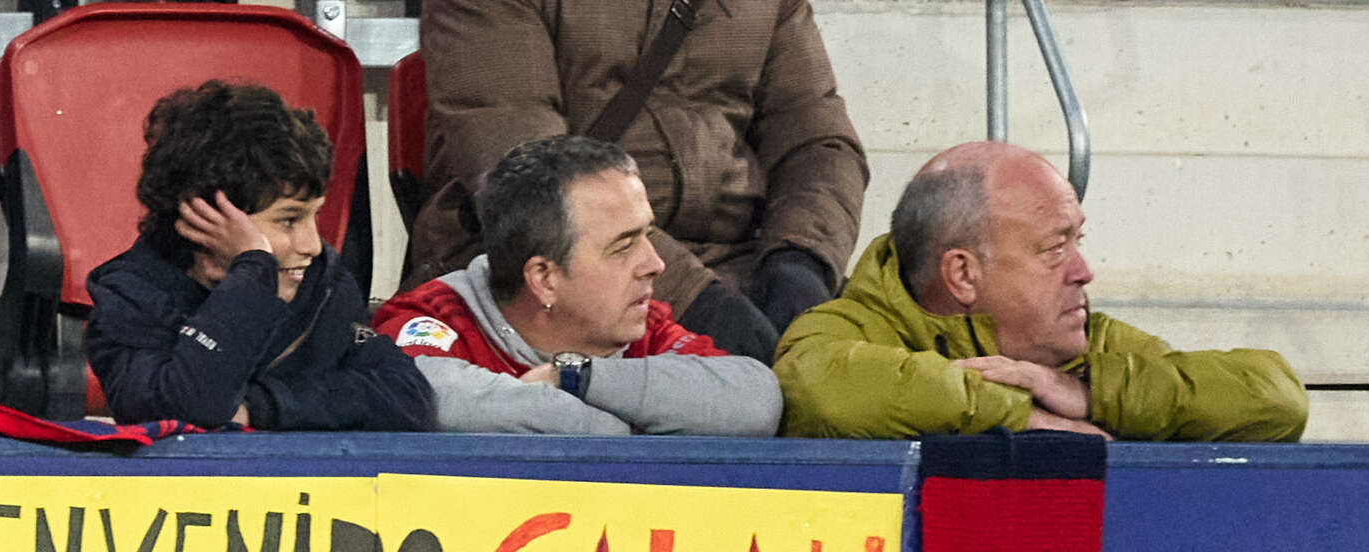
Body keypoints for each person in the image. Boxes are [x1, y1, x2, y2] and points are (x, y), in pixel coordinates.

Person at [404, 0, 869, 361]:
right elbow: (525, 176)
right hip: (554, 265)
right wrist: (700, 302)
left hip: (741, 267)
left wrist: (800, 263)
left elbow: (818, 142)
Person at [773, 141, 1308, 440]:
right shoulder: (850, 328)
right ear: (962, 274)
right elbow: (814, 391)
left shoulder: (1084, 348)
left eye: (1078, 241)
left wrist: (1086, 393)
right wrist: (1021, 417)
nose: (1084, 271)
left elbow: (1276, 400)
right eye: (1054, 249)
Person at [373, 135, 782, 436]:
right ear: (544, 279)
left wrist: (573, 378)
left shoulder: (643, 329)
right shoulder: (437, 317)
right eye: (623, 247)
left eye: (647, 236)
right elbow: (417, 391)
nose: (655, 265)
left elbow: (756, 399)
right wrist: (619, 430)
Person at [85, 81, 433, 431]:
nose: (312, 245)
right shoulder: (130, 297)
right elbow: (188, 407)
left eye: (314, 216)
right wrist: (252, 275)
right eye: (289, 220)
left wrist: (261, 406)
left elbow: (409, 398)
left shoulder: (325, 286)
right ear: (208, 214)